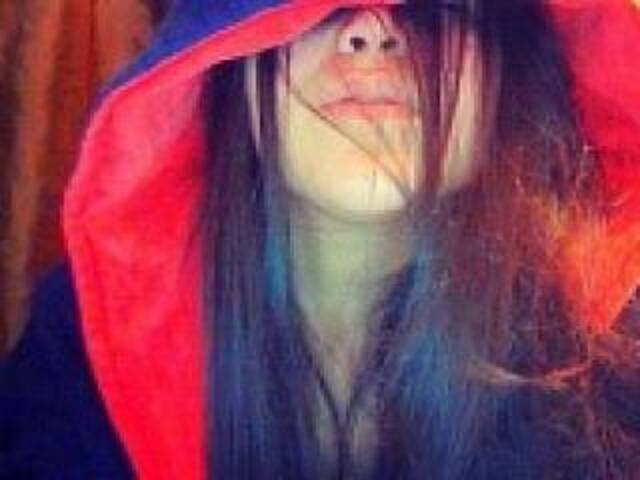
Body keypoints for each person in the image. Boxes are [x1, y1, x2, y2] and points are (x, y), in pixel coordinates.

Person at [1, 0, 640, 479]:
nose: (370, 31)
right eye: (313, 7)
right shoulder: (85, 347)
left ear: (510, 79)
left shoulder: (612, 368)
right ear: (222, 61)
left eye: (435, 6)